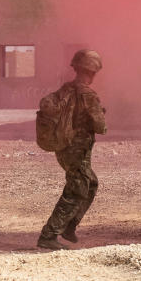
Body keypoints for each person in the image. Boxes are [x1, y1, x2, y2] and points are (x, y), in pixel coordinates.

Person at [37, 50, 107, 250]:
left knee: (90, 183)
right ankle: (49, 234)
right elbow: (100, 127)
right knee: (76, 190)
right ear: (92, 71)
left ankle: (69, 226)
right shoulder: (88, 94)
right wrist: (100, 116)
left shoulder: (65, 89)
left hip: (64, 147)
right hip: (78, 150)